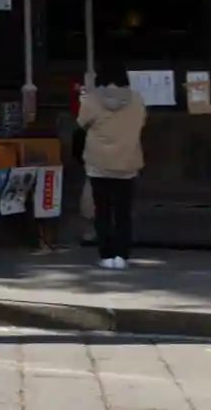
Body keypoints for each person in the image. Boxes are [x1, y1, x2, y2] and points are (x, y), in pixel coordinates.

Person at [76, 62, 146, 269]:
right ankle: (121, 256)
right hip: (127, 161)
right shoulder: (136, 99)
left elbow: (80, 124)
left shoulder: (92, 99)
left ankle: (106, 255)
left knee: (102, 211)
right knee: (123, 212)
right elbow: (141, 123)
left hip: (98, 162)